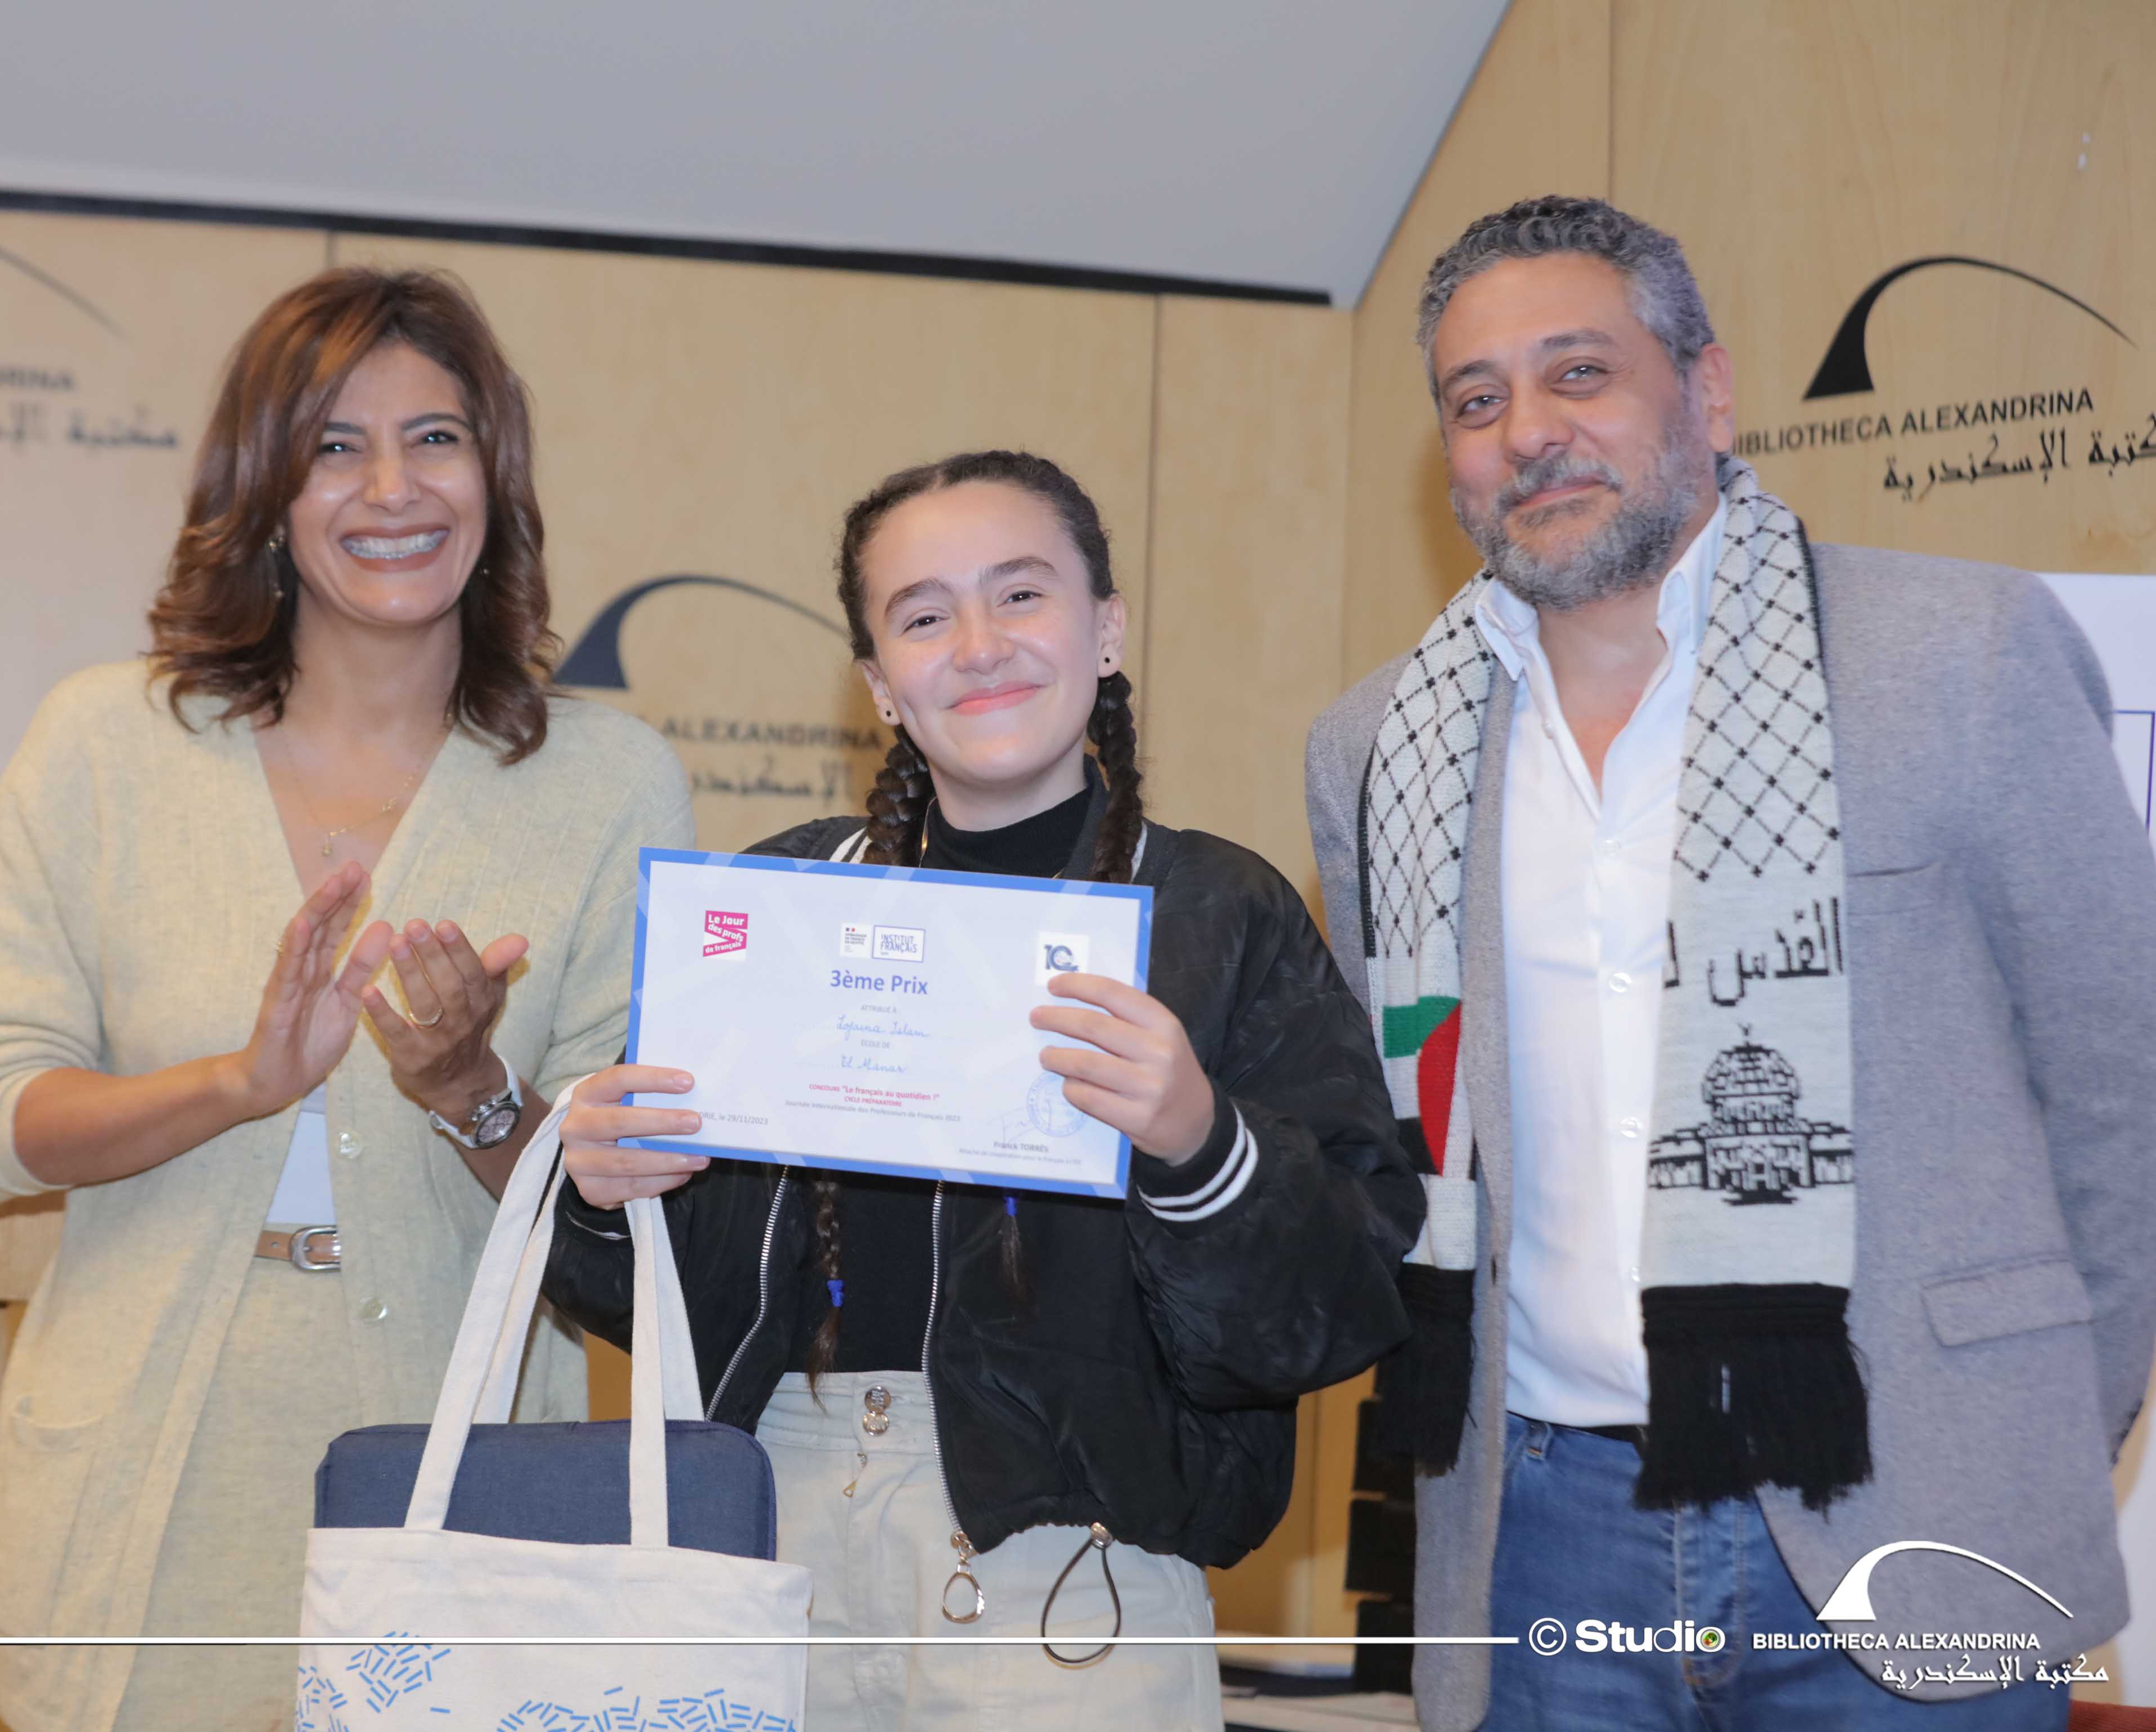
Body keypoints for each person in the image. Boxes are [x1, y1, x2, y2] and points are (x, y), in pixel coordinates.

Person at [1304, 196, 2156, 1730]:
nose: (1529, 432)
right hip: (1543, 1530)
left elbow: (2124, 1088)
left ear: (1707, 392)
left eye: (1580, 373)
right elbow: (1393, 1141)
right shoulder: (1379, 747)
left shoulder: (1962, 657)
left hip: (1919, 1504)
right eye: (1477, 400)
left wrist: (2025, 1431)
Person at [541, 449, 1422, 1731]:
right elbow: (659, 1302)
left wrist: (1202, 1144)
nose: (978, 646)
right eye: (923, 616)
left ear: (1106, 630)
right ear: (878, 685)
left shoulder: (1220, 915)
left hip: (1070, 1560)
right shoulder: (779, 906)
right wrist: (604, 1189)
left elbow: (1337, 1312)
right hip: (764, 1535)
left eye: (1020, 595)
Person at [0, 267, 693, 1732]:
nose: (391, 488)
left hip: (463, 1485)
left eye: (435, 438)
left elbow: (627, 1216)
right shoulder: (104, 745)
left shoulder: (609, 784)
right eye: (336, 445)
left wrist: (472, 1087)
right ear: (267, 490)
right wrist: (240, 1084)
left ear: (495, 475)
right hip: (146, 1479)